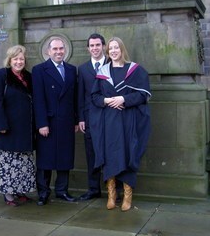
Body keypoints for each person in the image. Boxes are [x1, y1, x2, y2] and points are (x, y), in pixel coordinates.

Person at [90, 37, 151, 211]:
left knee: (128, 153)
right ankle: (111, 194)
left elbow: (142, 96)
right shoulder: (102, 72)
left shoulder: (135, 70)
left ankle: (127, 195)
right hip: (109, 121)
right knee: (110, 154)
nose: (114, 51)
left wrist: (124, 98)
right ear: (107, 52)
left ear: (122, 49)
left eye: (116, 47)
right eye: (111, 49)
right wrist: (108, 100)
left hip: (129, 119)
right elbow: (94, 97)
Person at [32, 37, 79, 206]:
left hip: (66, 121)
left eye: (61, 49)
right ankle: (43, 193)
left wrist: (76, 119)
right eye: (55, 49)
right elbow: (38, 99)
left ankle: (62, 191)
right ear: (48, 51)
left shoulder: (72, 70)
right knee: (45, 160)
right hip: (48, 122)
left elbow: (75, 97)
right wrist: (41, 123)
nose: (59, 52)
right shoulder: (39, 70)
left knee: (65, 158)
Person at [0, 45, 36, 207]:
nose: (19, 62)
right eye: (15, 59)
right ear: (10, 60)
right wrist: (0, 124)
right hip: (7, 129)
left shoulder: (29, 77)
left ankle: (20, 191)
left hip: (24, 129)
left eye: (21, 59)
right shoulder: (2, 75)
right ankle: (8, 196)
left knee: (22, 164)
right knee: (7, 164)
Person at [77, 33, 107, 200]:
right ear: (88, 48)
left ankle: (112, 189)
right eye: (92, 46)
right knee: (91, 154)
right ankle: (94, 189)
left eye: (98, 45)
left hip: (109, 116)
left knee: (110, 153)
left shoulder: (113, 64)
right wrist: (81, 118)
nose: (95, 48)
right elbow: (80, 95)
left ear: (103, 46)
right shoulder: (82, 69)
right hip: (89, 118)